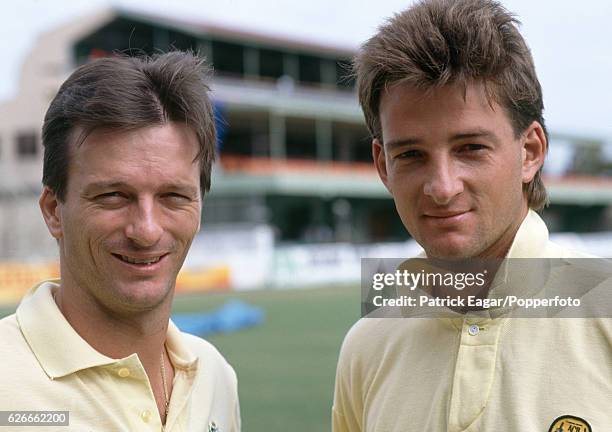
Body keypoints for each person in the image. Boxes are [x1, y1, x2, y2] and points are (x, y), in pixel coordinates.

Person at [332, 0, 611, 430]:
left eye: (471, 148)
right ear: (383, 166)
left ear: (530, 151)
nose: (442, 187)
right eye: (410, 154)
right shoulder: (366, 346)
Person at [0, 51, 240, 432]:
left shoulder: (214, 376)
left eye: (173, 197)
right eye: (113, 196)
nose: (145, 230)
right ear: (53, 210)